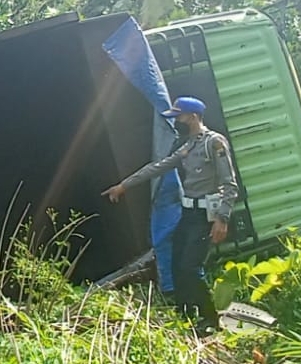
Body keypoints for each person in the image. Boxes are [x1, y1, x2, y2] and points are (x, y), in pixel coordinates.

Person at [103, 95, 240, 319]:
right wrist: (124, 185)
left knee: (190, 267)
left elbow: (229, 184)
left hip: (205, 215)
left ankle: (209, 318)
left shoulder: (213, 143)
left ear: (192, 117)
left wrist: (222, 218)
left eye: (180, 117)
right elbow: (158, 167)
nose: (177, 121)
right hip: (188, 213)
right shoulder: (187, 145)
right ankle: (185, 312)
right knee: (177, 262)